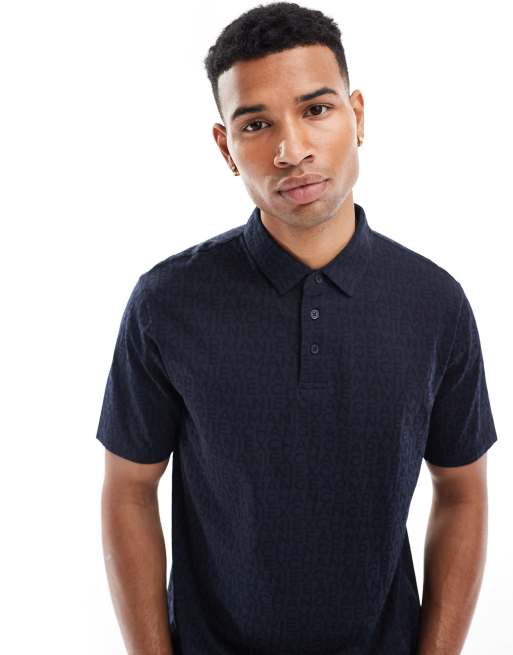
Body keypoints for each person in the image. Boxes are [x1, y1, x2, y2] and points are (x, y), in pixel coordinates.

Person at [95, 3, 499, 654]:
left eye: (316, 109)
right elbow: (129, 490)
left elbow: (461, 491)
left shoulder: (434, 303)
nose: (292, 150)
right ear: (226, 147)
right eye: (256, 124)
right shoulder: (166, 303)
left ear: (357, 116)